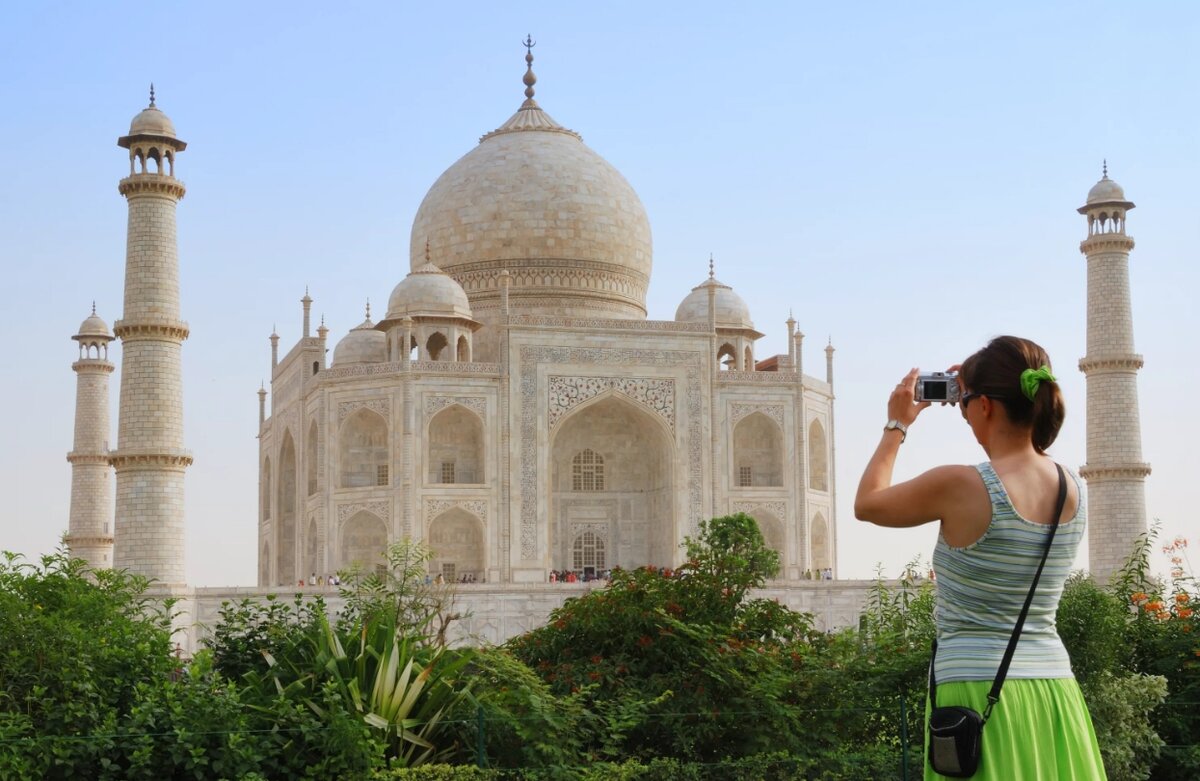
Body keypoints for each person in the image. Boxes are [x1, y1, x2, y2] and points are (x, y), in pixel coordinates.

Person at [854, 336, 1106, 780]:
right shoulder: (1073, 487)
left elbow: (868, 504)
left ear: (986, 406)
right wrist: (978, 388)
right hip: (1054, 690)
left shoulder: (961, 485)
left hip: (975, 692)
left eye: (967, 403)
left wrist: (897, 423)